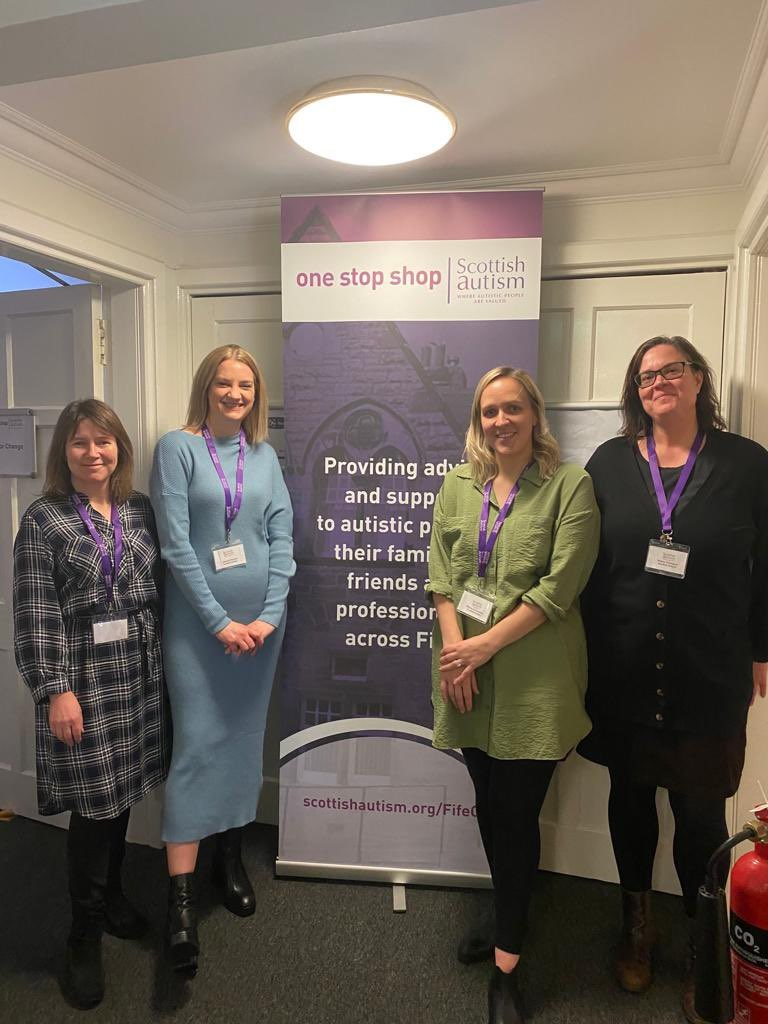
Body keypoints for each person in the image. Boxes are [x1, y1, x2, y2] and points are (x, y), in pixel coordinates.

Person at [579, 336, 768, 1023]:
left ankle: (699, 943)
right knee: (629, 801)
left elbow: (767, 566)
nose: (658, 382)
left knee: (698, 817)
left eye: (672, 370)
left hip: (708, 672)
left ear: (697, 381)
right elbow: (585, 561)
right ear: (636, 390)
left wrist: (763, 649)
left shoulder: (748, 463)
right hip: (622, 667)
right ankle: (637, 926)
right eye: (646, 374)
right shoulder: (607, 463)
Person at [426, 367, 599, 1024]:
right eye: (489, 411)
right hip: (463, 674)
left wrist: (482, 647)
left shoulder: (569, 486)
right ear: (479, 419)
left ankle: (507, 965)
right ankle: (509, 917)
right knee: (487, 806)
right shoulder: (458, 483)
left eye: (513, 409)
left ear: (535, 414)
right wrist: (456, 652)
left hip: (535, 681)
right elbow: (442, 577)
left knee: (515, 815)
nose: (501, 422)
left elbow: (559, 589)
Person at [13, 399, 169, 1010]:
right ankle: (83, 930)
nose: (94, 453)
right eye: (80, 443)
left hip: (138, 675)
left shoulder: (138, 511)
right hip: (82, 680)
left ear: (119, 449)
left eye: (103, 442)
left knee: (123, 792)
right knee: (93, 807)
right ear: (65, 452)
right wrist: (55, 689)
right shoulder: (44, 519)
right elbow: (34, 613)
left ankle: (111, 901)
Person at [150, 344, 294, 973]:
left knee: (242, 741)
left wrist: (266, 617)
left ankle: (228, 859)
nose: (236, 394)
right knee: (197, 746)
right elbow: (176, 545)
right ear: (206, 388)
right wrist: (219, 623)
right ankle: (180, 906)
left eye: (246, 385)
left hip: (260, 634)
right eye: (225, 383)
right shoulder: (177, 448)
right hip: (198, 633)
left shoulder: (264, 457)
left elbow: (283, 539)